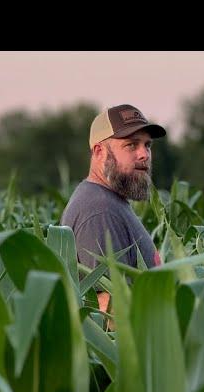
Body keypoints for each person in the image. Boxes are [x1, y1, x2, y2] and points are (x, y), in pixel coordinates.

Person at [61, 104, 166, 316]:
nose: (144, 154)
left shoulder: (110, 201)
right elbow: (108, 311)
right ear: (99, 152)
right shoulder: (99, 211)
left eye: (147, 145)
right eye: (131, 145)